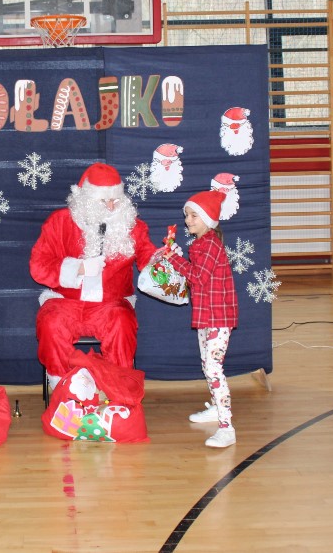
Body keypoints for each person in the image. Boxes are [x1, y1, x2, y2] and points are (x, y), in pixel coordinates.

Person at [30, 163, 160, 391]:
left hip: (111, 304)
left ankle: (117, 392)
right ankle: (64, 391)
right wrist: (78, 268)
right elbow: (38, 266)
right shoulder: (60, 222)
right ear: (86, 199)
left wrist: (162, 260)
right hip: (65, 301)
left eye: (116, 200)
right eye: (103, 201)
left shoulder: (133, 226)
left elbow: (148, 258)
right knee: (51, 324)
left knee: (122, 324)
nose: (110, 207)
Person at [158, 189, 239, 448]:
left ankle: (226, 427)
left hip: (218, 317)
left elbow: (198, 277)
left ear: (207, 218)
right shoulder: (202, 244)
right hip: (208, 315)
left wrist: (174, 259)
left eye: (194, 215)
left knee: (214, 369)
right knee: (208, 365)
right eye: (187, 215)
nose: (188, 220)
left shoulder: (210, 244)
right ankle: (216, 409)